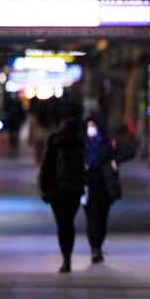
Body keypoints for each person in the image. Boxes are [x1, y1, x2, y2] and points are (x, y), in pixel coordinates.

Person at [83, 115, 135, 264]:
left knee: (102, 219)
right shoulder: (84, 143)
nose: (90, 129)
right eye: (88, 125)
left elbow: (130, 151)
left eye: (93, 125)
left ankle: (98, 245)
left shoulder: (109, 143)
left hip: (105, 187)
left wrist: (116, 161)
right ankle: (95, 249)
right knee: (92, 218)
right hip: (88, 186)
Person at [38, 117, 86, 274]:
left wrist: (44, 188)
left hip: (56, 190)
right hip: (74, 190)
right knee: (69, 223)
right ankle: (68, 257)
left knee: (61, 224)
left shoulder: (53, 142)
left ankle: (65, 259)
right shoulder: (79, 144)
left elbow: (45, 167)